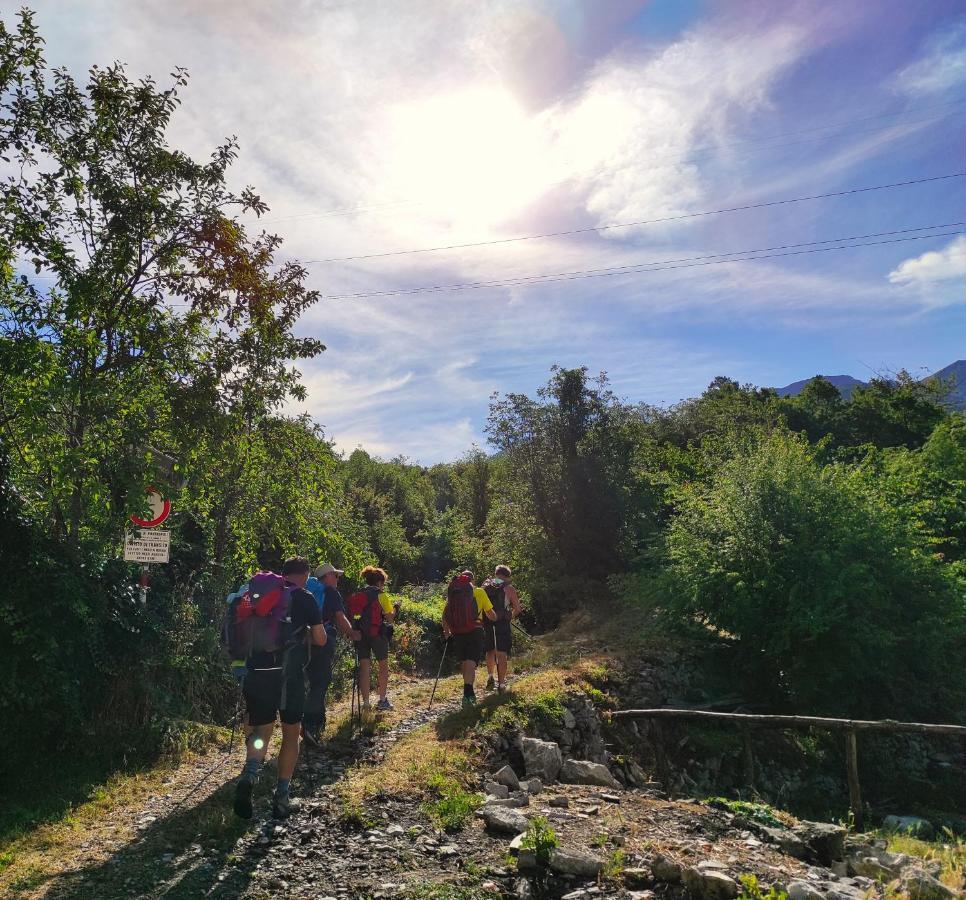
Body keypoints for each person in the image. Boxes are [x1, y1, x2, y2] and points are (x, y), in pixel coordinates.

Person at [232, 557, 325, 820]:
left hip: (256, 673)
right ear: (305, 575)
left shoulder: (256, 596)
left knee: (261, 728)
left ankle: (250, 774)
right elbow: (320, 638)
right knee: (291, 733)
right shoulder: (305, 598)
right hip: (289, 677)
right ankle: (282, 796)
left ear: (283, 574)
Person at [302, 563, 360, 747]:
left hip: (301, 642)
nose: (337, 579)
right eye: (335, 575)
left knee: (309, 681)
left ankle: (313, 721)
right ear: (326, 576)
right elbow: (340, 618)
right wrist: (353, 634)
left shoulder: (304, 591)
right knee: (321, 680)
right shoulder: (330, 592)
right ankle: (311, 725)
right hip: (322, 641)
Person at [442, 570, 497, 708]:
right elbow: (490, 614)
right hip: (475, 629)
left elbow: (445, 614)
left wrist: (447, 632)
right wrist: (497, 618)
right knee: (471, 660)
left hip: (457, 631)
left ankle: (467, 691)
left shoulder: (454, 592)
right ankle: (468, 693)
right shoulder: (478, 592)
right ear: (473, 579)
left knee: (464, 660)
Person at [347, 566, 396, 711]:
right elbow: (390, 618)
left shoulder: (359, 594)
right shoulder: (382, 595)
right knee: (383, 666)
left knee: (364, 668)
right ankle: (382, 701)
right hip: (377, 634)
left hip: (361, 635)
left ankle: (366, 703)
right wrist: (396, 609)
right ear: (380, 582)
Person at [482, 565, 522, 694]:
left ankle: (490, 676)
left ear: (496, 574)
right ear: (508, 575)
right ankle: (502, 683)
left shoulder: (486, 585)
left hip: (488, 621)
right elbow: (517, 608)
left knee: (490, 650)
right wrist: (510, 616)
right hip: (502, 623)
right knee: (502, 652)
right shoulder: (509, 588)